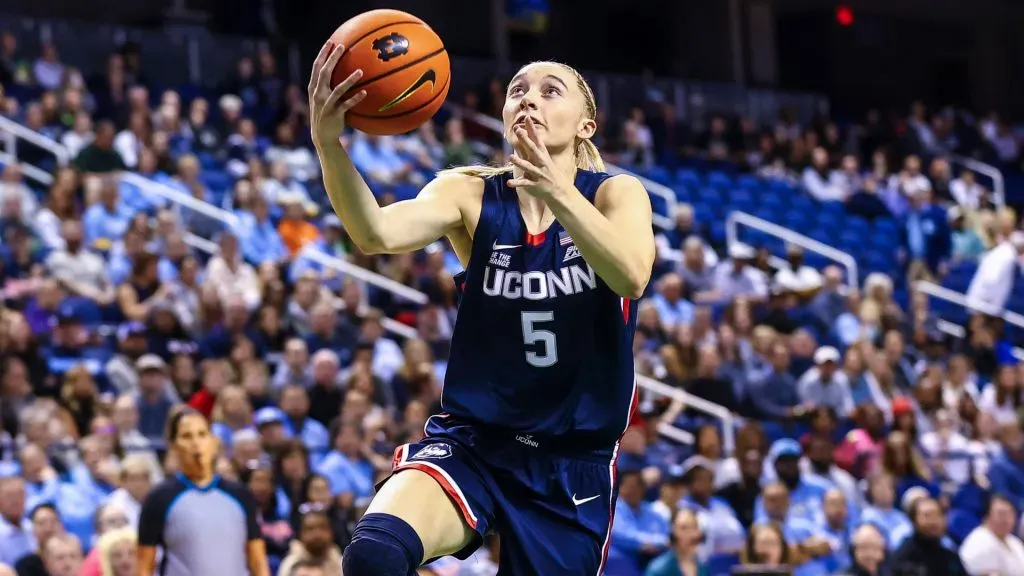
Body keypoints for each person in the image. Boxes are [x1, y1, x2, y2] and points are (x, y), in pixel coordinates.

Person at [309, 44, 654, 575]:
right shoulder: (469, 193)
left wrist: (559, 192)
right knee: (375, 554)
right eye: (517, 90)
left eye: (549, 90)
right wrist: (329, 144)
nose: (528, 100)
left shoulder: (615, 194)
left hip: (571, 464)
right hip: (475, 441)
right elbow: (374, 233)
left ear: (586, 126)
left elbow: (630, 274)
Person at [137, 408, 270, 576]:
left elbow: (257, 559)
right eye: (186, 436)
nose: (196, 443)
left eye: (202, 434)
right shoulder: (159, 499)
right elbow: (144, 565)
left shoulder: (240, 495)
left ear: (213, 442)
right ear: (173, 445)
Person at [889, 497, 967, 576]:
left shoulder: (950, 557)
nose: (933, 521)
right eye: (927, 516)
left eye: (937, 515)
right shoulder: (904, 556)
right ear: (914, 520)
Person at [958, 494, 1024, 576]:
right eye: (1001, 514)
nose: (1006, 519)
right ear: (987, 516)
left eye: (1010, 513)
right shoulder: (978, 542)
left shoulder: (1014, 541)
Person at [644, 508, 708, 576]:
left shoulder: (702, 569)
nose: (691, 534)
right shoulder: (659, 570)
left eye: (694, 527)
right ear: (673, 534)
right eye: (684, 528)